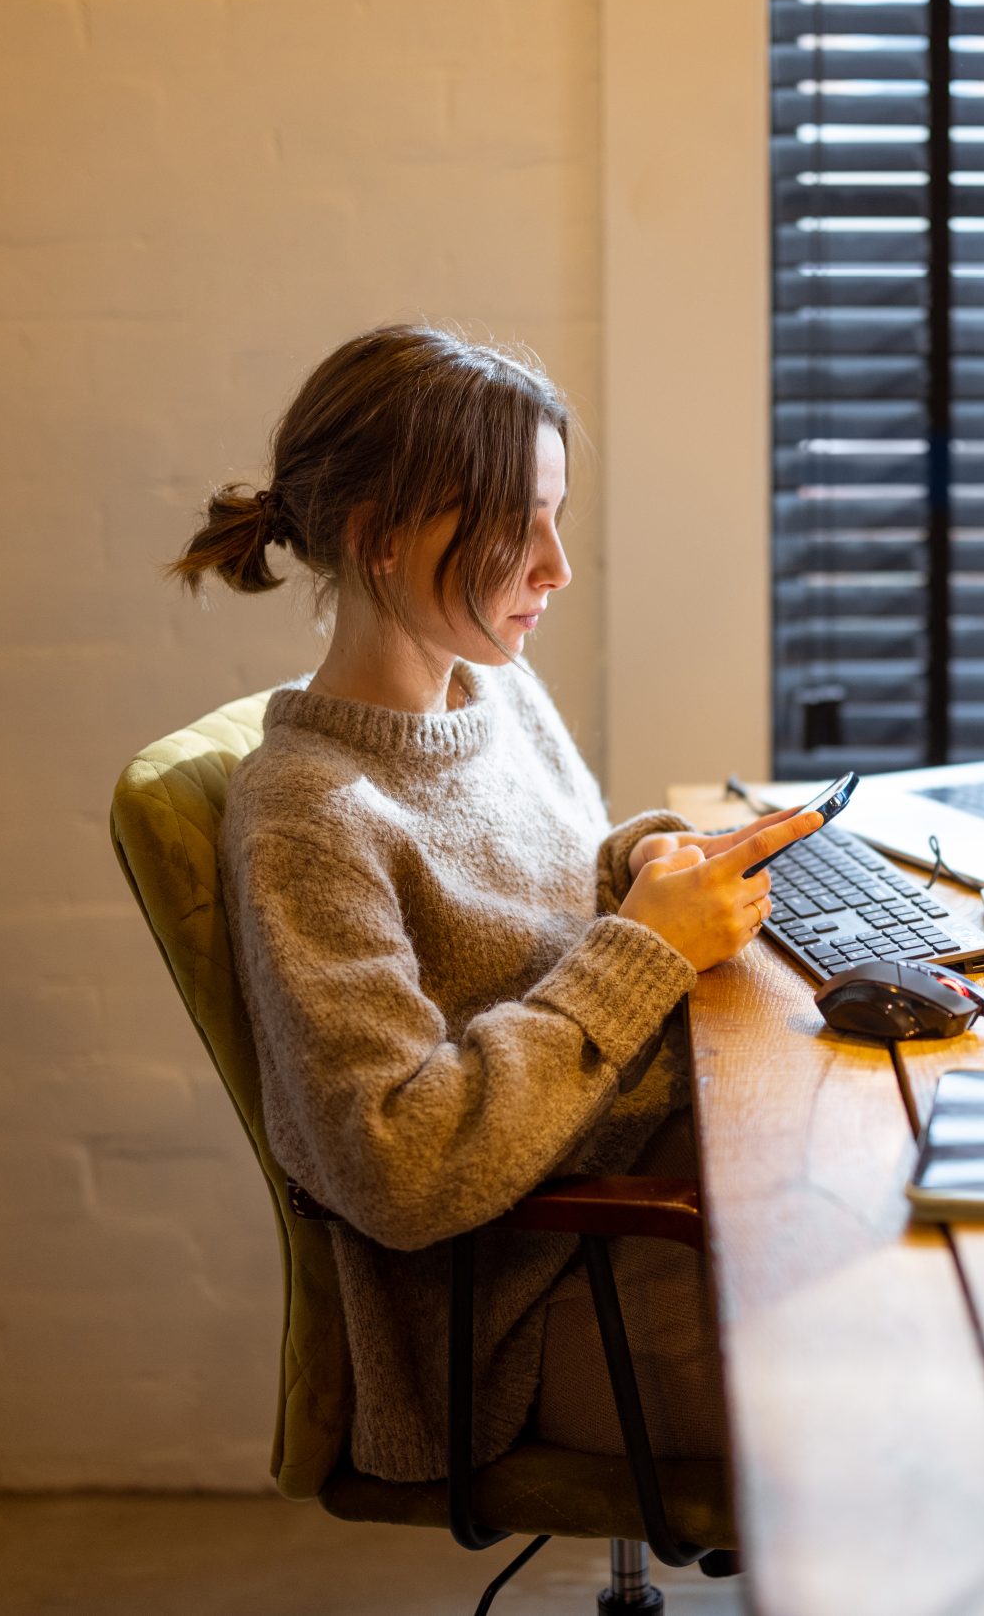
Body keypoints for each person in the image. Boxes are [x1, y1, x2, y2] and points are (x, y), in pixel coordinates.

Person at [170, 325, 819, 1485]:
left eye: (556, 514)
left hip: (639, 1197)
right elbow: (400, 1168)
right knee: (947, 1368)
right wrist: (638, 953)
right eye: (522, 523)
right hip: (528, 1312)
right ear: (378, 539)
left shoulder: (491, 688)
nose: (557, 565)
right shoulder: (309, 816)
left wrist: (644, 865)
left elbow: (547, 914)